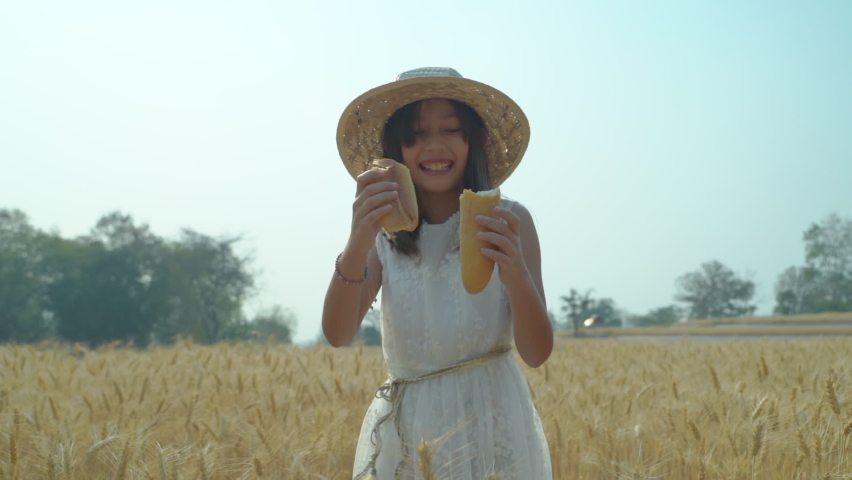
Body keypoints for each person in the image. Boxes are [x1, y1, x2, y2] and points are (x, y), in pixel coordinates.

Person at [322, 67, 553, 479]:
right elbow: (338, 334)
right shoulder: (384, 233)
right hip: (409, 429)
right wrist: (357, 240)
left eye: (451, 130)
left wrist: (515, 272)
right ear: (394, 148)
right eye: (415, 135)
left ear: (477, 139)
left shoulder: (508, 220)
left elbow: (536, 354)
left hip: (491, 422)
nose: (434, 146)